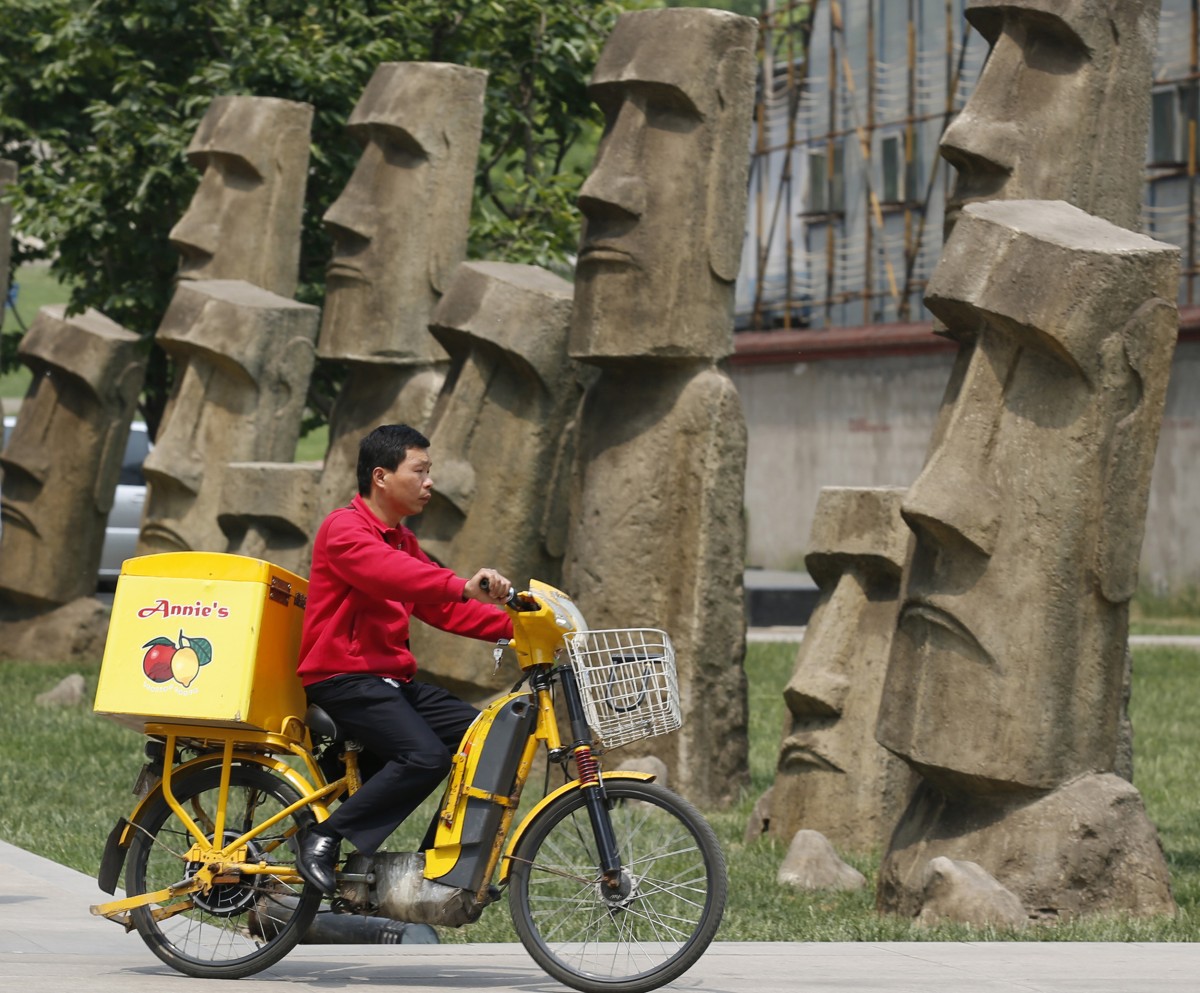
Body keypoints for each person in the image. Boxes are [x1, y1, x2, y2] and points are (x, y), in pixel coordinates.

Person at [294, 423, 514, 895]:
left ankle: (438, 867)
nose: (430, 482)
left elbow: (441, 607)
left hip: (389, 681)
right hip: (343, 678)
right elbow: (395, 577)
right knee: (425, 757)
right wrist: (458, 583)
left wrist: (520, 628)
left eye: (429, 472)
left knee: (485, 738)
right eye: (420, 471)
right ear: (381, 476)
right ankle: (323, 837)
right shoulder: (345, 529)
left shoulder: (402, 541)